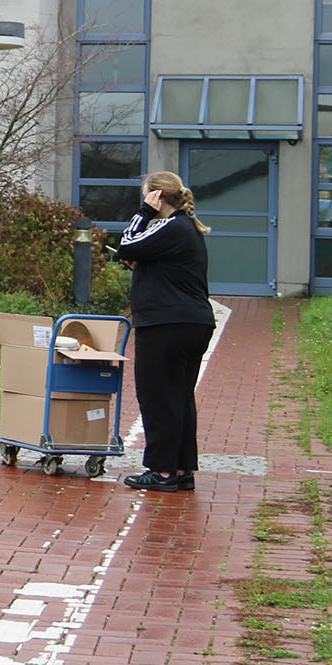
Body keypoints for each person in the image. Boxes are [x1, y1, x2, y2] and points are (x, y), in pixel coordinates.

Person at [114, 171, 214, 493]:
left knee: (157, 396)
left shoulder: (171, 225)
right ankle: (182, 468)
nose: (143, 201)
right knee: (179, 397)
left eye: (146, 195)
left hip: (166, 325)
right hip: (190, 323)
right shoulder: (184, 228)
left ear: (156, 196)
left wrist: (142, 212)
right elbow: (148, 258)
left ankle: (162, 471)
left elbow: (125, 244)